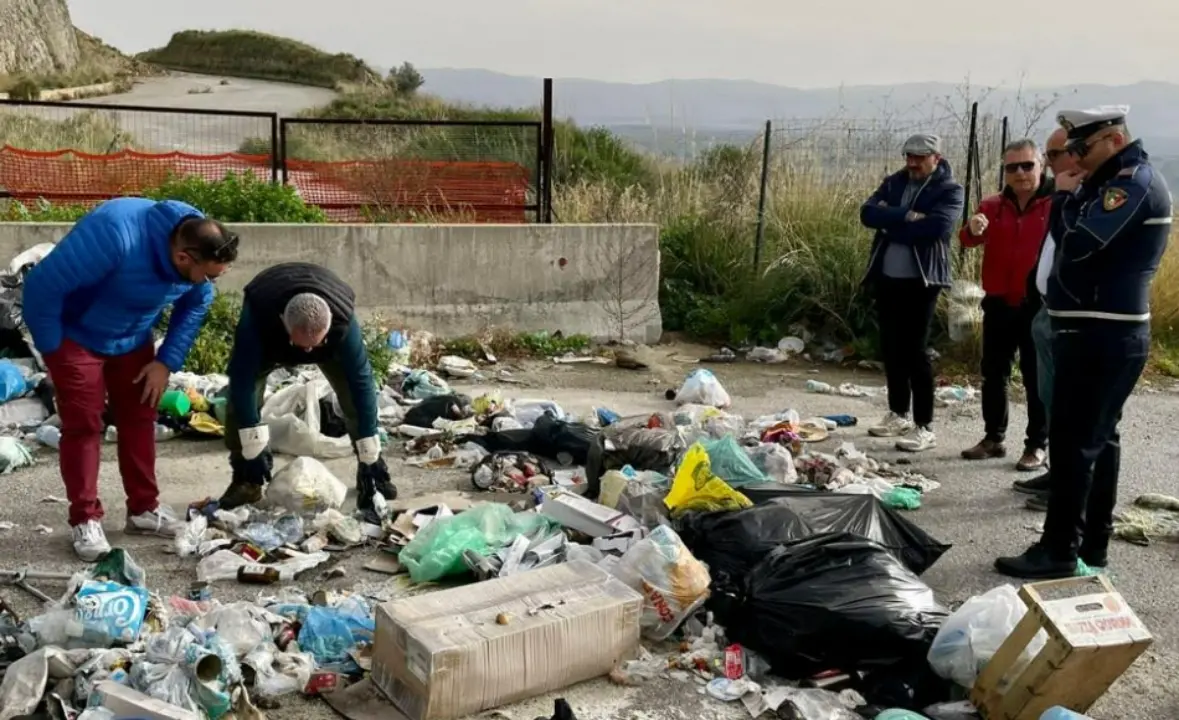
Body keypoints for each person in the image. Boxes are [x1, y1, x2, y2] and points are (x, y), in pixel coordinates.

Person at [996, 106, 1171, 579]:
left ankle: (1058, 550)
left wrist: (1067, 200)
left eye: (1082, 149)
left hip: (1105, 332)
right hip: (1090, 329)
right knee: (1094, 441)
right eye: (1069, 151)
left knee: (1076, 445)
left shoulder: (1131, 183)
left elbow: (1081, 242)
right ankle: (1092, 546)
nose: (1074, 160)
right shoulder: (1106, 182)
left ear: (1113, 140)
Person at [22, 198, 238, 561]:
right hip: (75, 337)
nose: (212, 283)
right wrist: (53, 350)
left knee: (141, 414)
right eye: (210, 274)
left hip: (132, 337)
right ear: (184, 258)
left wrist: (165, 362)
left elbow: (197, 302)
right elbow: (42, 289)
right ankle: (85, 518)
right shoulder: (114, 235)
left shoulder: (198, 242)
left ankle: (143, 510)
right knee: (84, 424)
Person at [216, 262, 396, 512]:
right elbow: (243, 380)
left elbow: (361, 384)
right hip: (271, 335)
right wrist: (252, 447)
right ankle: (247, 479)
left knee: (353, 399)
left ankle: (372, 473)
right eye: (301, 346)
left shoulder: (343, 324)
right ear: (283, 323)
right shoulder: (258, 319)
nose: (308, 353)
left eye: (314, 346)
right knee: (241, 403)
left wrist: (370, 453)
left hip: (326, 339)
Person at [860, 133, 965, 452]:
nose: (913, 162)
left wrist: (889, 221)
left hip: (923, 281)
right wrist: (904, 216)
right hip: (887, 277)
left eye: (920, 156)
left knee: (915, 351)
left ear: (937, 157)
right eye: (909, 155)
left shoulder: (950, 189)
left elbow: (938, 228)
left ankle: (924, 425)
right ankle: (898, 413)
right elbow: (867, 213)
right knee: (891, 348)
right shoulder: (894, 182)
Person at [958, 139, 1052, 471]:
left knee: (1035, 377)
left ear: (1042, 165)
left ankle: (1037, 445)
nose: (1020, 173)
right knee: (993, 373)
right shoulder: (992, 205)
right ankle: (993, 438)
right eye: (1012, 167)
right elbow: (967, 239)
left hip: (1038, 304)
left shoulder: (1057, 204)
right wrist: (971, 227)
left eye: (1027, 165)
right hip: (998, 301)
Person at [1014, 129, 1086, 512]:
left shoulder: (1084, 197)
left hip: (1073, 315)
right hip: (1047, 308)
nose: (1052, 162)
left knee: (1071, 404)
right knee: (1050, 397)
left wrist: (1061, 196)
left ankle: (1070, 488)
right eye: (1051, 153)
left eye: (1056, 155)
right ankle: (1057, 472)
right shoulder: (1066, 196)